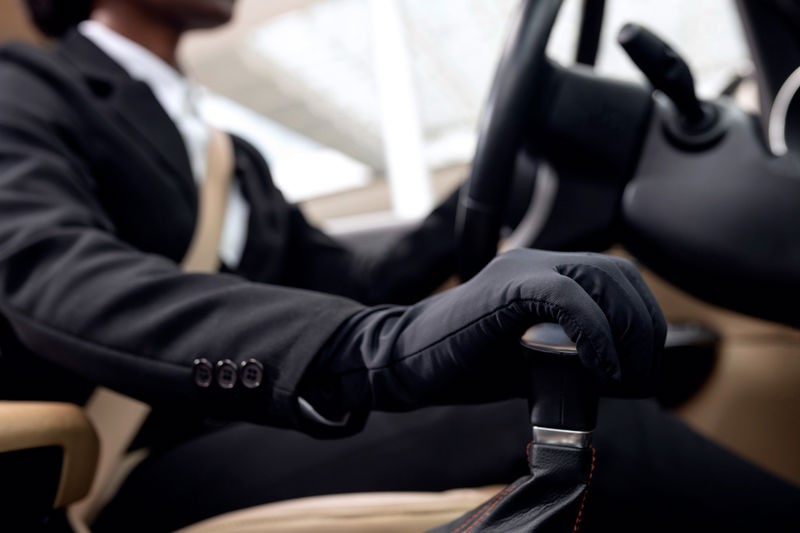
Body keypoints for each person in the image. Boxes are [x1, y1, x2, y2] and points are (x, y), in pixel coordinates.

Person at [0, 1, 794, 532]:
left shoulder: (229, 154)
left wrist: (507, 184)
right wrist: (366, 348)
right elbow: (54, 272)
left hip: (259, 435)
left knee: (564, 396)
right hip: (131, 468)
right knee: (576, 427)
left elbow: (353, 282)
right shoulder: (24, 85)